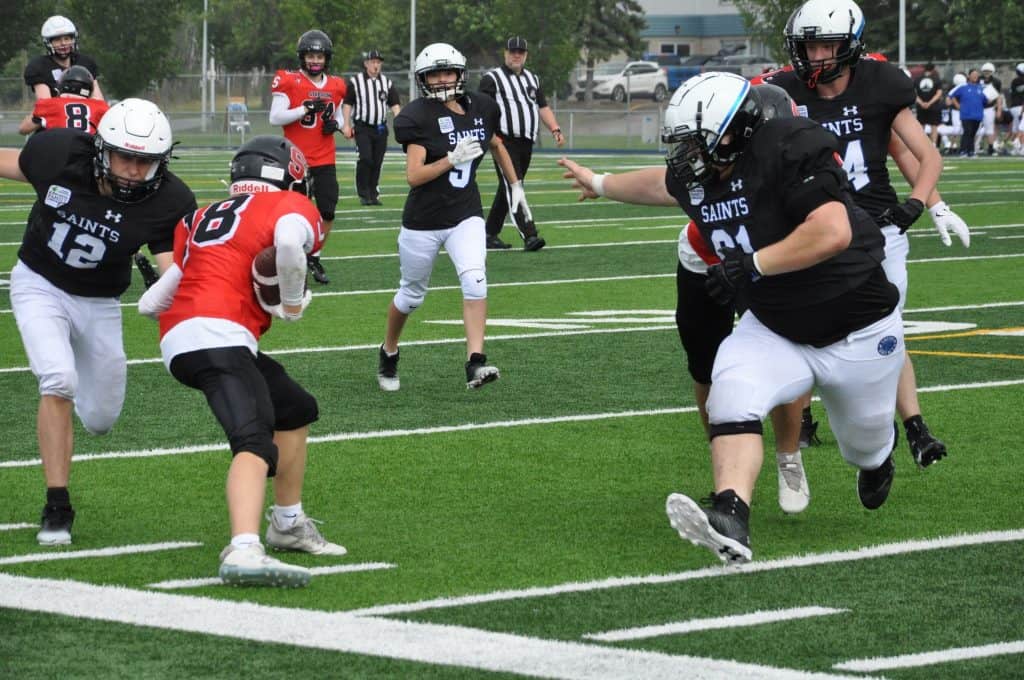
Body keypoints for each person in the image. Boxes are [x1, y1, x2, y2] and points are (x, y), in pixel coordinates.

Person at [561, 72, 905, 563]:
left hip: (858, 328)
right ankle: (730, 516)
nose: (685, 156)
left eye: (694, 144)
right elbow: (663, 183)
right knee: (730, 390)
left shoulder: (789, 148)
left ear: (734, 132)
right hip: (777, 325)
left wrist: (754, 264)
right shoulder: (697, 173)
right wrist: (600, 182)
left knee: (864, 443)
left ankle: (877, 457)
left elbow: (831, 231)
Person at [755, 0, 963, 504]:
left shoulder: (880, 86)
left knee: (883, 330)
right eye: (808, 45)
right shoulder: (783, 91)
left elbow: (921, 152)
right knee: (805, 328)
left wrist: (923, 204)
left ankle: (903, 430)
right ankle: (813, 427)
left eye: (825, 44)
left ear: (849, 45)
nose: (815, 55)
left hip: (876, 226)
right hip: (813, 227)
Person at [137, 135, 344, 587]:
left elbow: (151, 303)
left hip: (183, 337)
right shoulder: (290, 206)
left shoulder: (199, 216)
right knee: (253, 440)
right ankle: (245, 547)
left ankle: (287, 523)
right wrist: (289, 303)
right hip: (220, 334)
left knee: (294, 409)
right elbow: (289, 246)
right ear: (289, 175)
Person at [0, 98, 197, 546]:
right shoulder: (59, 153)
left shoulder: (170, 200)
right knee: (58, 379)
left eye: (145, 161)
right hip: (39, 283)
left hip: (100, 302)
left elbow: (172, 268)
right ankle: (57, 503)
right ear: (100, 149)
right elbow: (10, 162)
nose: (132, 169)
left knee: (102, 419)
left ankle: (77, 423)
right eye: (124, 156)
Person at [377, 42, 531, 391]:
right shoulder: (416, 116)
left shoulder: (481, 107)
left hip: (465, 213)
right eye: (435, 73)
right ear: (423, 79)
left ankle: (475, 362)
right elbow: (413, 176)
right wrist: (450, 158)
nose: (442, 79)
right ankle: (389, 350)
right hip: (424, 220)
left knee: (475, 278)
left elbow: (496, 143)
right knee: (411, 295)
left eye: (447, 72)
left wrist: (516, 184)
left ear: (460, 74)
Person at [270, 29, 347, 285]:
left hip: (325, 158)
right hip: (294, 159)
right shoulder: (289, 80)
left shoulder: (336, 85)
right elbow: (275, 117)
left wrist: (335, 125)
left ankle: (314, 255)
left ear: (327, 58)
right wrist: (303, 108)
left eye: (320, 56)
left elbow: (337, 116)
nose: (315, 61)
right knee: (294, 215)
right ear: (303, 57)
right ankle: (292, 262)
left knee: (327, 211)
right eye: (311, 56)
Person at [479, 36, 564, 252]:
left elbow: (542, 107)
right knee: (515, 185)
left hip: (526, 142)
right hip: (503, 142)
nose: (516, 55)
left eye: (521, 52)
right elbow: (482, 110)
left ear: (526, 55)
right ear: (505, 53)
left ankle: (489, 234)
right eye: (512, 51)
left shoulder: (533, 79)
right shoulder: (492, 79)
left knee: (508, 188)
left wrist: (555, 128)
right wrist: (491, 137)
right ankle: (529, 234)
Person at [341, 49, 401, 205]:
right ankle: (363, 193)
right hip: (363, 127)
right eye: (373, 62)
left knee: (377, 161)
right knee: (366, 158)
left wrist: (400, 122)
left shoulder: (386, 83)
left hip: (380, 128)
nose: (376, 65)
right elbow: (348, 104)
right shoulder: (356, 82)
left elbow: (394, 104)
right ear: (366, 64)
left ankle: (373, 194)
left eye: (378, 62)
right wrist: (346, 125)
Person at [24, 15, 104, 101]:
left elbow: (98, 100)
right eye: (57, 40)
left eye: (67, 38)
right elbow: (46, 105)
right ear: (48, 43)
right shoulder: (39, 66)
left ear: (73, 39)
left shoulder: (85, 63)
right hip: (56, 113)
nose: (63, 43)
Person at [18, 65, 110, 135]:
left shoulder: (50, 104)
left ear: (61, 85)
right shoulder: (100, 106)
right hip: (87, 154)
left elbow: (23, 129)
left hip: (59, 153)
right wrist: (94, 84)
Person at [951, 69, 987, 156]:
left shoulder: (981, 88)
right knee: (967, 132)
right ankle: (963, 150)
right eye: (973, 74)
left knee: (973, 133)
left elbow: (985, 100)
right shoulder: (963, 87)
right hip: (966, 114)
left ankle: (971, 151)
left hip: (978, 114)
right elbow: (952, 96)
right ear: (969, 76)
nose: (975, 76)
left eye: (976, 74)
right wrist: (958, 106)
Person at [914, 63, 944, 147]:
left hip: (921, 106)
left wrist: (922, 103)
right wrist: (930, 103)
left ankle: (920, 145)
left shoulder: (918, 79)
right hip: (934, 106)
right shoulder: (936, 79)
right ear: (933, 69)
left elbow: (914, 93)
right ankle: (933, 145)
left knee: (921, 126)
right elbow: (939, 93)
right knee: (934, 126)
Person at [979, 62, 1003, 155]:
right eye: (985, 71)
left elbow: (998, 96)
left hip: (989, 108)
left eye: (989, 71)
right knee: (975, 128)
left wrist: (999, 109)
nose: (987, 73)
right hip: (978, 107)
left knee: (990, 128)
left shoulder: (996, 81)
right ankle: (974, 147)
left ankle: (990, 147)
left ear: (992, 71)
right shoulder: (978, 80)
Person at [1010, 63, 1024, 155]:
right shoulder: (1018, 81)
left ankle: (1016, 149)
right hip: (1020, 107)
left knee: (1017, 128)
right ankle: (1018, 144)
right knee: (1021, 128)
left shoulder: (1014, 81)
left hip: (1014, 107)